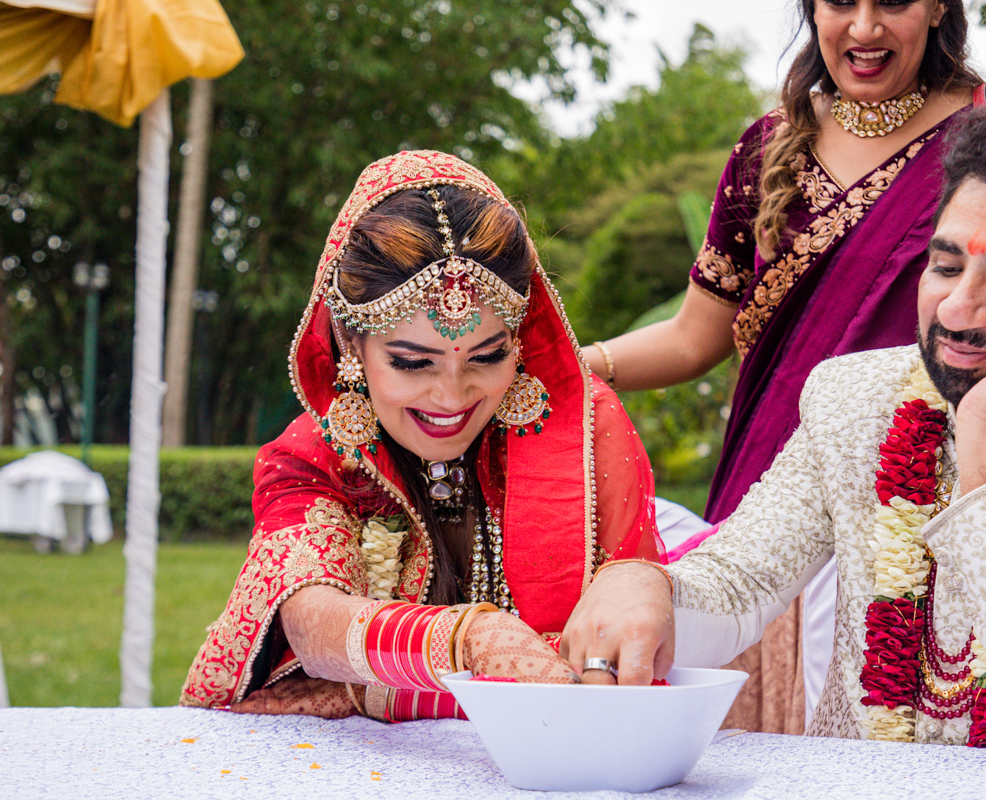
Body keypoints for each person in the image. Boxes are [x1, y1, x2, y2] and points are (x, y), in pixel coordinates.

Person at [584, 0, 986, 736]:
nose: (863, 28)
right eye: (838, 3)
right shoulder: (770, 151)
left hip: (962, 489)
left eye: (891, 1)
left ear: (938, 6)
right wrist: (578, 366)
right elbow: (698, 334)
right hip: (788, 484)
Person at [181, 150, 663, 721]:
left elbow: (630, 647)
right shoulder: (316, 457)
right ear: (349, 341)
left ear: (519, 335)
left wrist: (368, 691)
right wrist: (465, 639)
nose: (451, 397)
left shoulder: (584, 431)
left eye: (486, 357)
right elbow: (313, 622)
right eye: (413, 363)